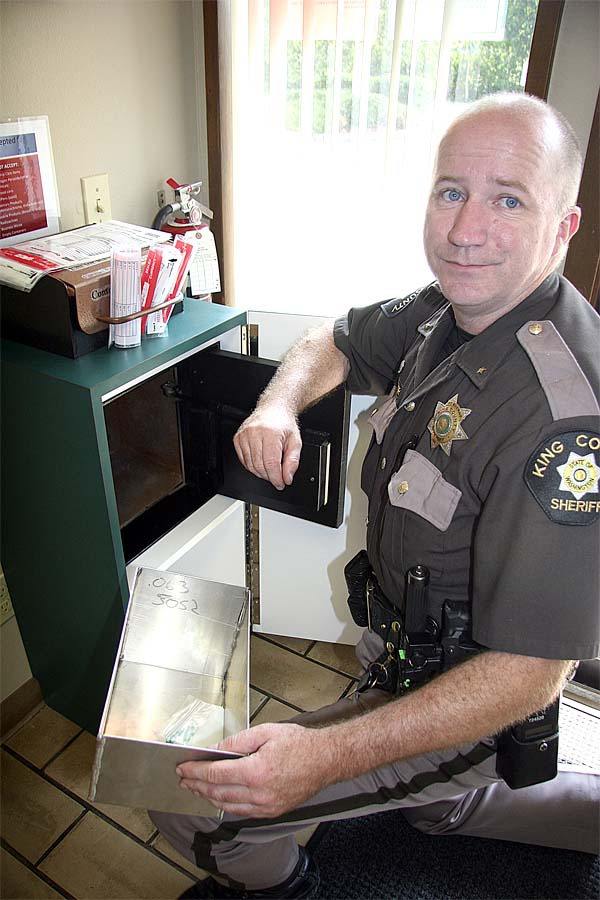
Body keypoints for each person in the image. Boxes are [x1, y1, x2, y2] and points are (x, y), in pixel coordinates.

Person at [151, 93, 600, 898]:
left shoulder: (565, 415)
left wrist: (320, 758)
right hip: (397, 651)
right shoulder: (446, 310)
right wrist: (276, 404)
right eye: (450, 190)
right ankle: (456, 799)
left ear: (563, 225)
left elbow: (533, 671)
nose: (464, 230)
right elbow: (337, 337)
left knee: (198, 808)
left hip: (471, 694)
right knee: (437, 816)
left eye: (508, 199)